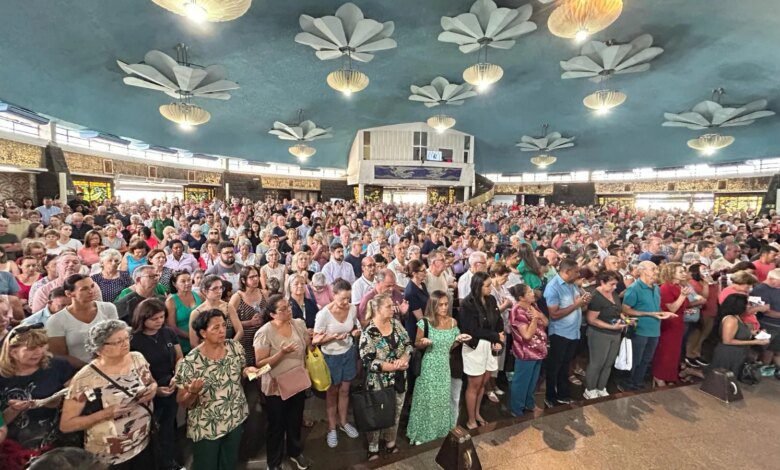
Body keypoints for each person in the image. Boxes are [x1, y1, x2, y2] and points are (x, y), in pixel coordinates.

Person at [59, 320, 157, 468]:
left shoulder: (137, 358)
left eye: (126, 338)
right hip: (110, 455)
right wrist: (106, 413)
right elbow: (66, 425)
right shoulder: (85, 378)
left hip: (143, 442)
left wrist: (153, 389)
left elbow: (151, 381)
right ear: (99, 349)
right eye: (118, 341)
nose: (125, 344)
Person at [175, 309, 257, 470]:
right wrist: (192, 392)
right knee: (207, 464)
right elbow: (182, 401)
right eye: (215, 328)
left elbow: (241, 369)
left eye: (223, 325)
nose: (222, 331)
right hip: (207, 424)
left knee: (229, 462)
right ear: (203, 333)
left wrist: (247, 371)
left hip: (234, 416)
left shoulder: (234, 347)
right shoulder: (191, 362)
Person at [0, 324, 75, 464]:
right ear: (12, 352)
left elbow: (74, 395)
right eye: (31, 349)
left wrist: (60, 402)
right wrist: (13, 410)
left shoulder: (58, 366)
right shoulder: (2, 377)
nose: (39, 352)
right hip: (12, 449)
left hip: (54, 443)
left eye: (42, 346)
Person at [254, 294, 313, 470]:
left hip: (297, 381)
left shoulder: (297, 324)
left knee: (295, 420)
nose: (289, 310)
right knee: (276, 425)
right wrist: (281, 353)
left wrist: (314, 338)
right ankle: (274, 462)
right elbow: (260, 363)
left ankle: (295, 452)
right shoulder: (264, 333)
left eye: (289, 307)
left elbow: (307, 347)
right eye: (283, 309)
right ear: (272, 314)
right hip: (276, 386)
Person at [129, 299, 182, 470]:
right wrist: (154, 389)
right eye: (154, 319)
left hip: (170, 383)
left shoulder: (167, 332)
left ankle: (171, 462)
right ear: (143, 319)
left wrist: (177, 375)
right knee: (152, 432)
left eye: (161, 317)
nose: (159, 321)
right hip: (148, 391)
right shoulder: (134, 340)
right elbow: (135, 371)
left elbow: (179, 357)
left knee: (169, 428)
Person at [406, 290, 465, 445]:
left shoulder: (453, 322)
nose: (444, 307)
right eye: (440, 305)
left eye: (446, 304)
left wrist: (459, 340)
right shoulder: (425, 322)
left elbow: (450, 347)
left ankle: (439, 430)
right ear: (433, 305)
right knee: (427, 399)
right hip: (428, 365)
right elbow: (417, 343)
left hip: (444, 365)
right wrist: (423, 342)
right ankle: (421, 433)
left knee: (441, 399)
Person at [359, 293, 411, 460]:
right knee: (377, 414)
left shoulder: (396, 323)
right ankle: (373, 447)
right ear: (377, 309)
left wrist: (404, 359)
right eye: (388, 306)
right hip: (379, 382)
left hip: (399, 378)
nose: (393, 308)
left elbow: (408, 344)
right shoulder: (369, 332)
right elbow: (368, 361)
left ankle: (390, 441)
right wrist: (393, 366)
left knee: (396, 411)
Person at [312, 279, 361, 448]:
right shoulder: (324, 314)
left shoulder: (352, 308)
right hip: (331, 356)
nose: (346, 303)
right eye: (343, 299)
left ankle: (344, 422)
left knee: (345, 390)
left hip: (348, 353)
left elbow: (354, 325)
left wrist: (355, 332)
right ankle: (332, 428)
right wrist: (332, 337)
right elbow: (315, 339)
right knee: (332, 392)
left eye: (348, 298)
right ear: (334, 296)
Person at [620, 261, 676, 392]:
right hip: (640, 330)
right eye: (653, 269)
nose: (656, 272)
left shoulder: (656, 287)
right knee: (636, 359)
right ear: (643, 271)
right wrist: (649, 314)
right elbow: (625, 309)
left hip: (654, 329)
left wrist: (663, 313)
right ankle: (628, 383)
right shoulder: (634, 288)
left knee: (646, 359)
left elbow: (656, 308)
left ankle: (637, 382)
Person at [459, 272, 504, 428]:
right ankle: (470, 419)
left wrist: (498, 339)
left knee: (484, 382)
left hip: (489, 346)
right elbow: (472, 330)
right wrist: (495, 336)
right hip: (475, 346)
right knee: (474, 384)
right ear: (478, 287)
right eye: (487, 285)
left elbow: (498, 320)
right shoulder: (467, 304)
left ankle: (477, 413)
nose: (491, 288)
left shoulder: (491, 300)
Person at [543, 258, 588, 406]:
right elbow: (554, 314)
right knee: (555, 367)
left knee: (566, 365)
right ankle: (550, 396)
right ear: (566, 271)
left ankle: (563, 394)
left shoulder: (571, 285)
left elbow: (577, 305)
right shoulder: (553, 287)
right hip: (560, 333)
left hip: (573, 332)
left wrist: (582, 302)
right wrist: (576, 305)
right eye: (576, 272)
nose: (578, 274)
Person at [47, 274, 119, 367]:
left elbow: (118, 339)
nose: (91, 291)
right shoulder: (56, 320)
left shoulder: (108, 308)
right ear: (69, 294)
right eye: (84, 289)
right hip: (76, 370)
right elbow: (59, 355)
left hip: (111, 364)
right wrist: (90, 368)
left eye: (92, 286)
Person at [654, 263, 702, 387]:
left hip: (679, 322)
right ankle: (659, 376)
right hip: (669, 323)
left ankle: (670, 375)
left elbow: (684, 305)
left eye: (684, 271)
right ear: (671, 273)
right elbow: (672, 309)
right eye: (680, 272)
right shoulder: (666, 288)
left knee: (675, 351)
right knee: (666, 351)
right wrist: (682, 296)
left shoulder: (679, 286)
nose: (684, 274)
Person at [583, 271, 626, 399]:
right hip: (600, 333)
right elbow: (592, 319)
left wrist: (625, 320)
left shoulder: (613, 293)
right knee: (597, 363)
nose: (615, 287)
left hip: (615, 332)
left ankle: (601, 387)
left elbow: (619, 310)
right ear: (602, 282)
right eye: (612, 284)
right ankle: (590, 389)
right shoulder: (596, 296)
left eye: (616, 284)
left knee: (608, 363)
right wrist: (611, 326)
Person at [507, 284, 547, 416]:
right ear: (521, 297)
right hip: (526, 352)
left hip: (538, 350)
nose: (533, 294)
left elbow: (546, 322)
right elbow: (527, 335)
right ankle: (516, 409)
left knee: (532, 381)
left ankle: (529, 404)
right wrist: (535, 318)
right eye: (529, 292)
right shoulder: (517, 311)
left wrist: (539, 315)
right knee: (521, 381)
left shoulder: (533, 306)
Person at [710, 297, 771, 376]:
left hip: (737, 354)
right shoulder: (731, 319)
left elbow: (737, 332)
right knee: (722, 380)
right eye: (747, 304)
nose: (749, 306)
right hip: (728, 354)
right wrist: (755, 342)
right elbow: (727, 340)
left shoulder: (737, 317)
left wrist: (753, 333)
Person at [188, 276, 243, 348]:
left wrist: (229, 348)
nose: (219, 291)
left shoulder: (228, 307)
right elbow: (194, 343)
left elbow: (240, 331)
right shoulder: (197, 313)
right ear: (205, 291)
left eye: (220, 288)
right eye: (215, 288)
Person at [228, 266, 266, 367]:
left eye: (257, 276)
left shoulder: (264, 293)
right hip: (245, 340)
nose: (255, 279)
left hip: (262, 339)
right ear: (243, 280)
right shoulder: (237, 297)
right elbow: (228, 322)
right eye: (251, 277)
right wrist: (250, 323)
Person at [165, 270, 202, 355]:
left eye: (189, 280)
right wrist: (192, 337)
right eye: (183, 281)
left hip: (201, 338)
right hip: (182, 343)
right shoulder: (171, 301)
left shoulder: (199, 295)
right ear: (175, 284)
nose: (187, 283)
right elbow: (172, 327)